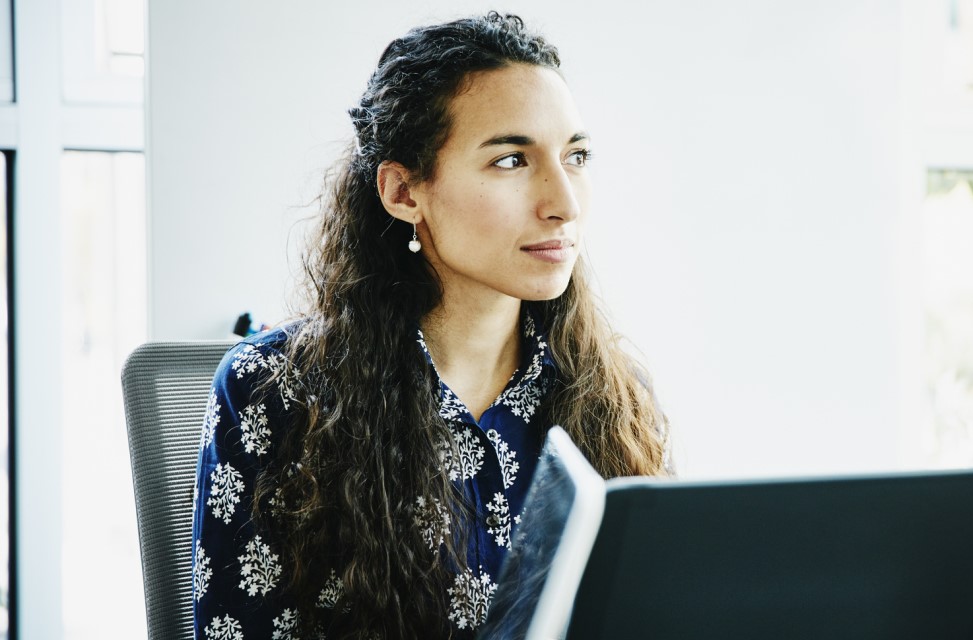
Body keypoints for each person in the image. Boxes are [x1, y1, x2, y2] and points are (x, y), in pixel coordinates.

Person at [190, 13, 670, 640]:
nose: (565, 203)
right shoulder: (276, 390)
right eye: (511, 160)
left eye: (575, 156)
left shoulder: (614, 393)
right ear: (403, 192)